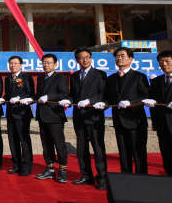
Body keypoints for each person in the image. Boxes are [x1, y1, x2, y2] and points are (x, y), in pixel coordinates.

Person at [95, 47, 149, 174]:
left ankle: (142, 178)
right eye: (117, 56)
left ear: (131, 59)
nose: (119, 58)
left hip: (135, 121)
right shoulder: (112, 78)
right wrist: (104, 103)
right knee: (123, 152)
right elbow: (109, 98)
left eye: (122, 55)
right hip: (119, 121)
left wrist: (130, 103)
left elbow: (145, 96)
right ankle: (126, 177)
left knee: (138, 152)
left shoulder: (139, 76)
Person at [68, 48, 108, 190]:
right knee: (81, 148)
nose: (85, 60)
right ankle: (86, 175)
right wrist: (67, 100)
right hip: (79, 117)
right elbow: (73, 95)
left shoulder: (100, 74)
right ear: (76, 60)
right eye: (81, 57)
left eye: (87, 57)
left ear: (91, 58)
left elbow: (103, 94)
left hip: (94, 116)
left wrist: (90, 100)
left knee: (98, 148)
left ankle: (102, 177)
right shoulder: (74, 76)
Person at [0, 56, 35, 176]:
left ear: (21, 65)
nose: (13, 65)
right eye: (11, 63)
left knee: (24, 140)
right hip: (11, 113)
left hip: (22, 113)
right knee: (13, 141)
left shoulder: (27, 77)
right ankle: (16, 165)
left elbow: (30, 93)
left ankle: (27, 166)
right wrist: (2, 99)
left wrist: (20, 98)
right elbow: (8, 94)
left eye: (15, 63)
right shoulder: (7, 79)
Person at [143, 50, 172, 176]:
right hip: (163, 124)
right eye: (161, 62)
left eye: (167, 61)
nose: (164, 64)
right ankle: (171, 177)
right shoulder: (157, 81)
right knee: (167, 153)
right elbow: (152, 98)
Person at [34, 54, 70, 183]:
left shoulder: (60, 78)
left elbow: (64, 94)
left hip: (55, 116)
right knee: (46, 145)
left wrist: (49, 97)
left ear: (55, 64)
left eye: (49, 63)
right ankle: (49, 168)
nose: (46, 65)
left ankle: (62, 170)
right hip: (42, 116)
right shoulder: (40, 78)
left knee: (59, 145)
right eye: (44, 62)